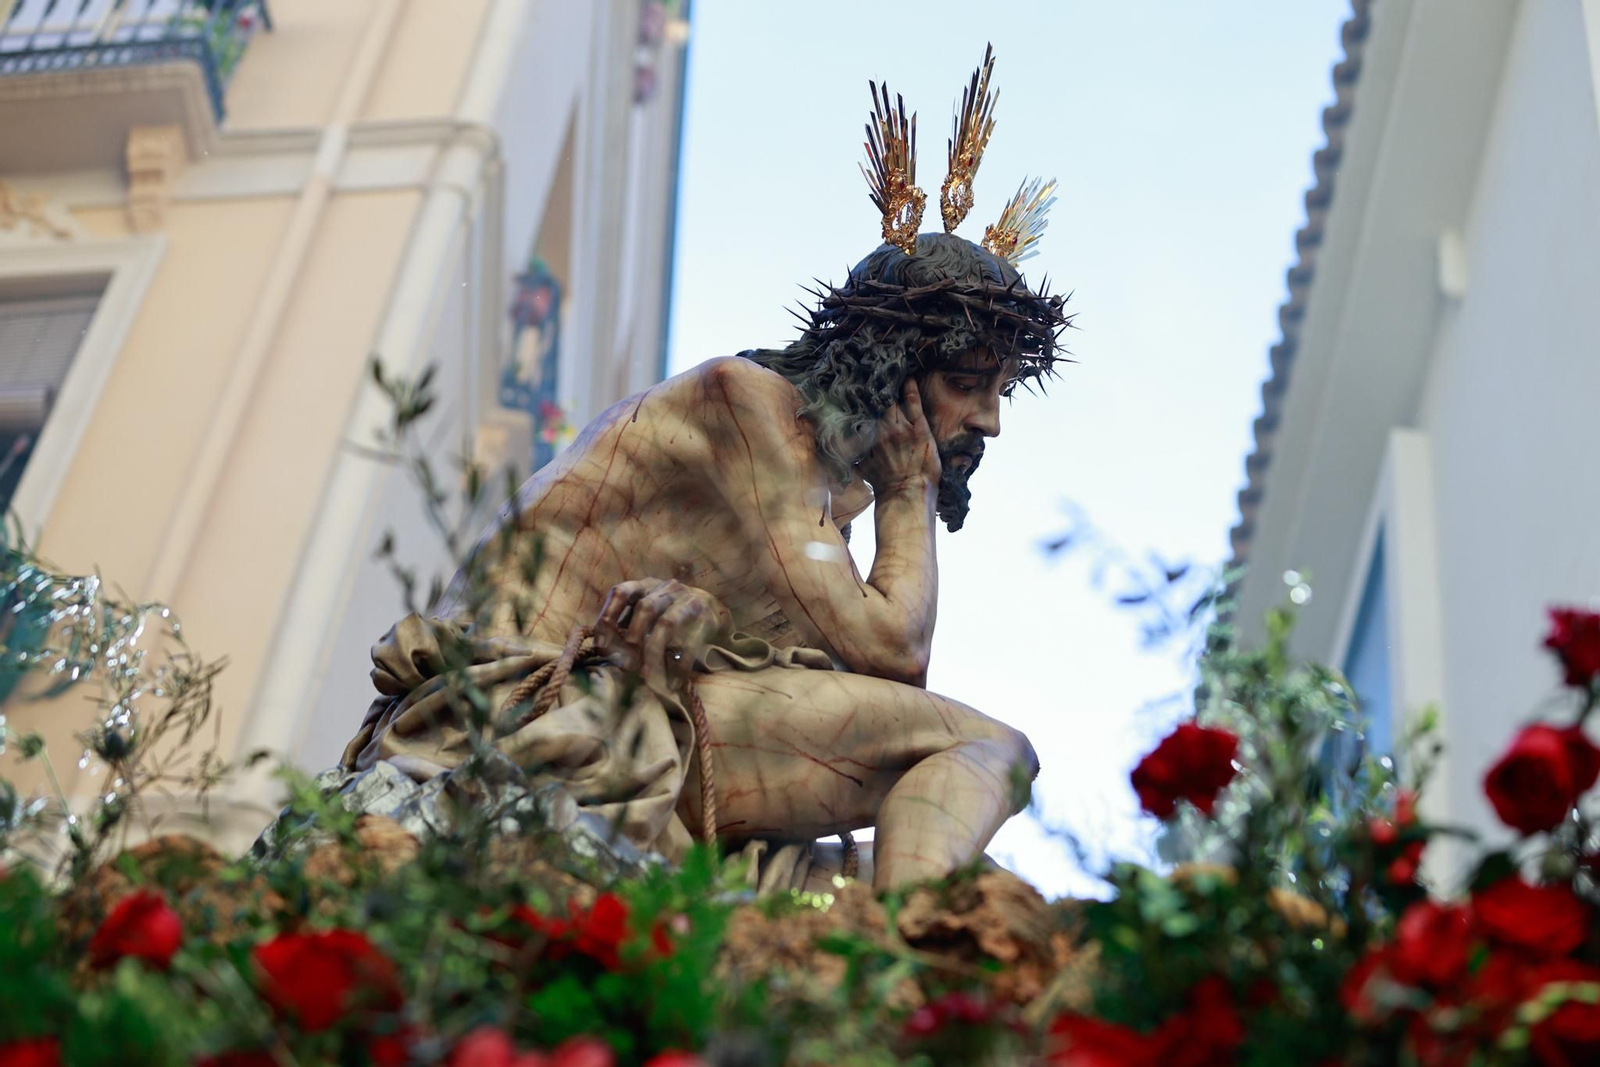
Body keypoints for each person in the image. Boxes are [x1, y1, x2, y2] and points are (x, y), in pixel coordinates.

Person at [339, 49, 1071, 892]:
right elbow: (896, 667)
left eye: (999, 390)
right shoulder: (745, 408)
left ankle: (909, 945)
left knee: (995, 888)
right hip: (531, 710)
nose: (989, 419)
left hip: (658, 720)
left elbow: (876, 715)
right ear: (894, 363)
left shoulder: (822, 497)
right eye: (968, 383)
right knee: (990, 749)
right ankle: (907, 967)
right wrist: (910, 493)